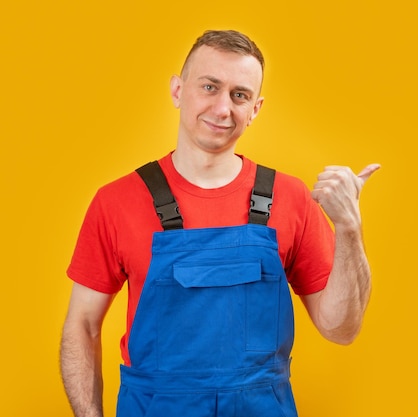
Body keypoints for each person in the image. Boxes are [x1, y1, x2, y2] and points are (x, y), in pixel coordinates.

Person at [60, 29, 380, 417]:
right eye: (209, 86)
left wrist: (349, 228)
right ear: (178, 91)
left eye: (239, 95)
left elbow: (341, 329)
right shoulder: (117, 202)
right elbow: (83, 325)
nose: (223, 108)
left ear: (256, 108)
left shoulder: (291, 198)